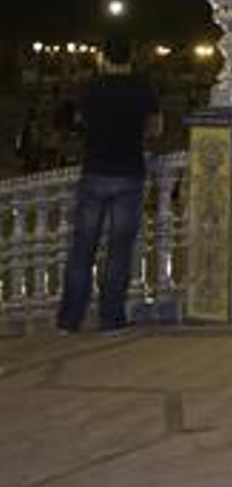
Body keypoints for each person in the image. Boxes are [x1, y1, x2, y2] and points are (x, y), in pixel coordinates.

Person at [56, 34, 162, 335]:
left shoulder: (90, 87)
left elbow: (79, 121)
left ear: (103, 57)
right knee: (118, 251)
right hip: (128, 173)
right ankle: (111, 318)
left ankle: (69, 320)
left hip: (94, 172)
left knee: (82, 250)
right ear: (131, 57)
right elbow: (155, 128)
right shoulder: (142, 87)